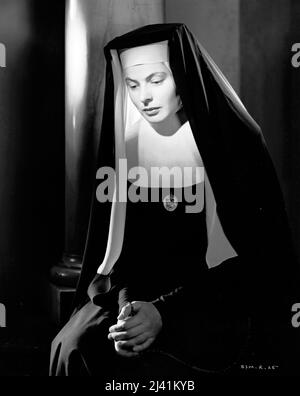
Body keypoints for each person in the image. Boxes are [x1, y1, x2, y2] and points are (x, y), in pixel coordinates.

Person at [50, 23, 298, 377]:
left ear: (183, 77)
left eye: (156, 79)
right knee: (74, 344)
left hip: (214, 298)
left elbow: (262, 260)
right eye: (133, 85)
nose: (144, 97)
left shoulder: (234, 141)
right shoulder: (129, 145)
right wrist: (128, 308)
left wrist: (164, 312)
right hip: (134, 291)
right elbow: (118, 253)